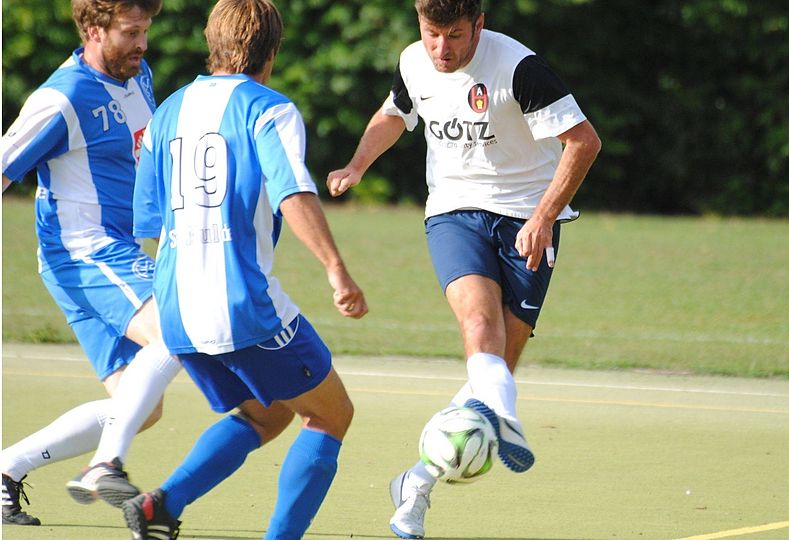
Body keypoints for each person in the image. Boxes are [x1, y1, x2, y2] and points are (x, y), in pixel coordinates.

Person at [326, 0, 601, 537]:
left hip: (528, 218)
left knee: (497, 369)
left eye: (455, 35)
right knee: (480, 331)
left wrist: (544, 217)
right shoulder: (414, 61)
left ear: (480, 24)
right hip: (454, 211)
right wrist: (358, 164)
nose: (442, 50)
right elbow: (394, 113)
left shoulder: (520, 69)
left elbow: (584, 141)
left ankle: (416, 485)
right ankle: (510, 423)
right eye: (432, 35)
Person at [119, 0, 369, 538]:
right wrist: (336, 270)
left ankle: (160, 506)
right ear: (271, 53)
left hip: (176, 310)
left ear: (212, 43)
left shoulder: (168, 112)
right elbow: (293, 193)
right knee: (331, 414)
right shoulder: (269, 109)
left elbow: (150, 223)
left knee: (269, 413)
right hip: (241, 307)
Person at [0, 0, 186, 525]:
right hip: (85, 254)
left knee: (142, 407)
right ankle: (105, 464)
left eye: (146, 30)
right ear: (93, 28)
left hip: (114, 254)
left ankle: (6, 469)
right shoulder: (61, 99)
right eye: (131, 32)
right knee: (178, 327)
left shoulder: (138, 73)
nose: (143, 43)